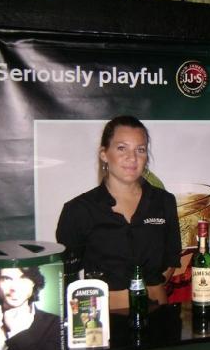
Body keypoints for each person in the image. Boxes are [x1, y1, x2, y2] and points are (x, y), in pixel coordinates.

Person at [56, 115, 182, 309]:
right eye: (122, 148)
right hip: (103, 320)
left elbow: (171, 260)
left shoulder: (164, 202)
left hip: (158, 314)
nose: (132, 158)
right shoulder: (79, 209)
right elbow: (68, 273)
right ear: (104, 154)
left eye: (140, 150)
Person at [0, 267, 61, 350]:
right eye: (6, 279)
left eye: (23, 278)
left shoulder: (55, 324)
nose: (14, 288)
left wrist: (17, 333)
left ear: (33, 282)